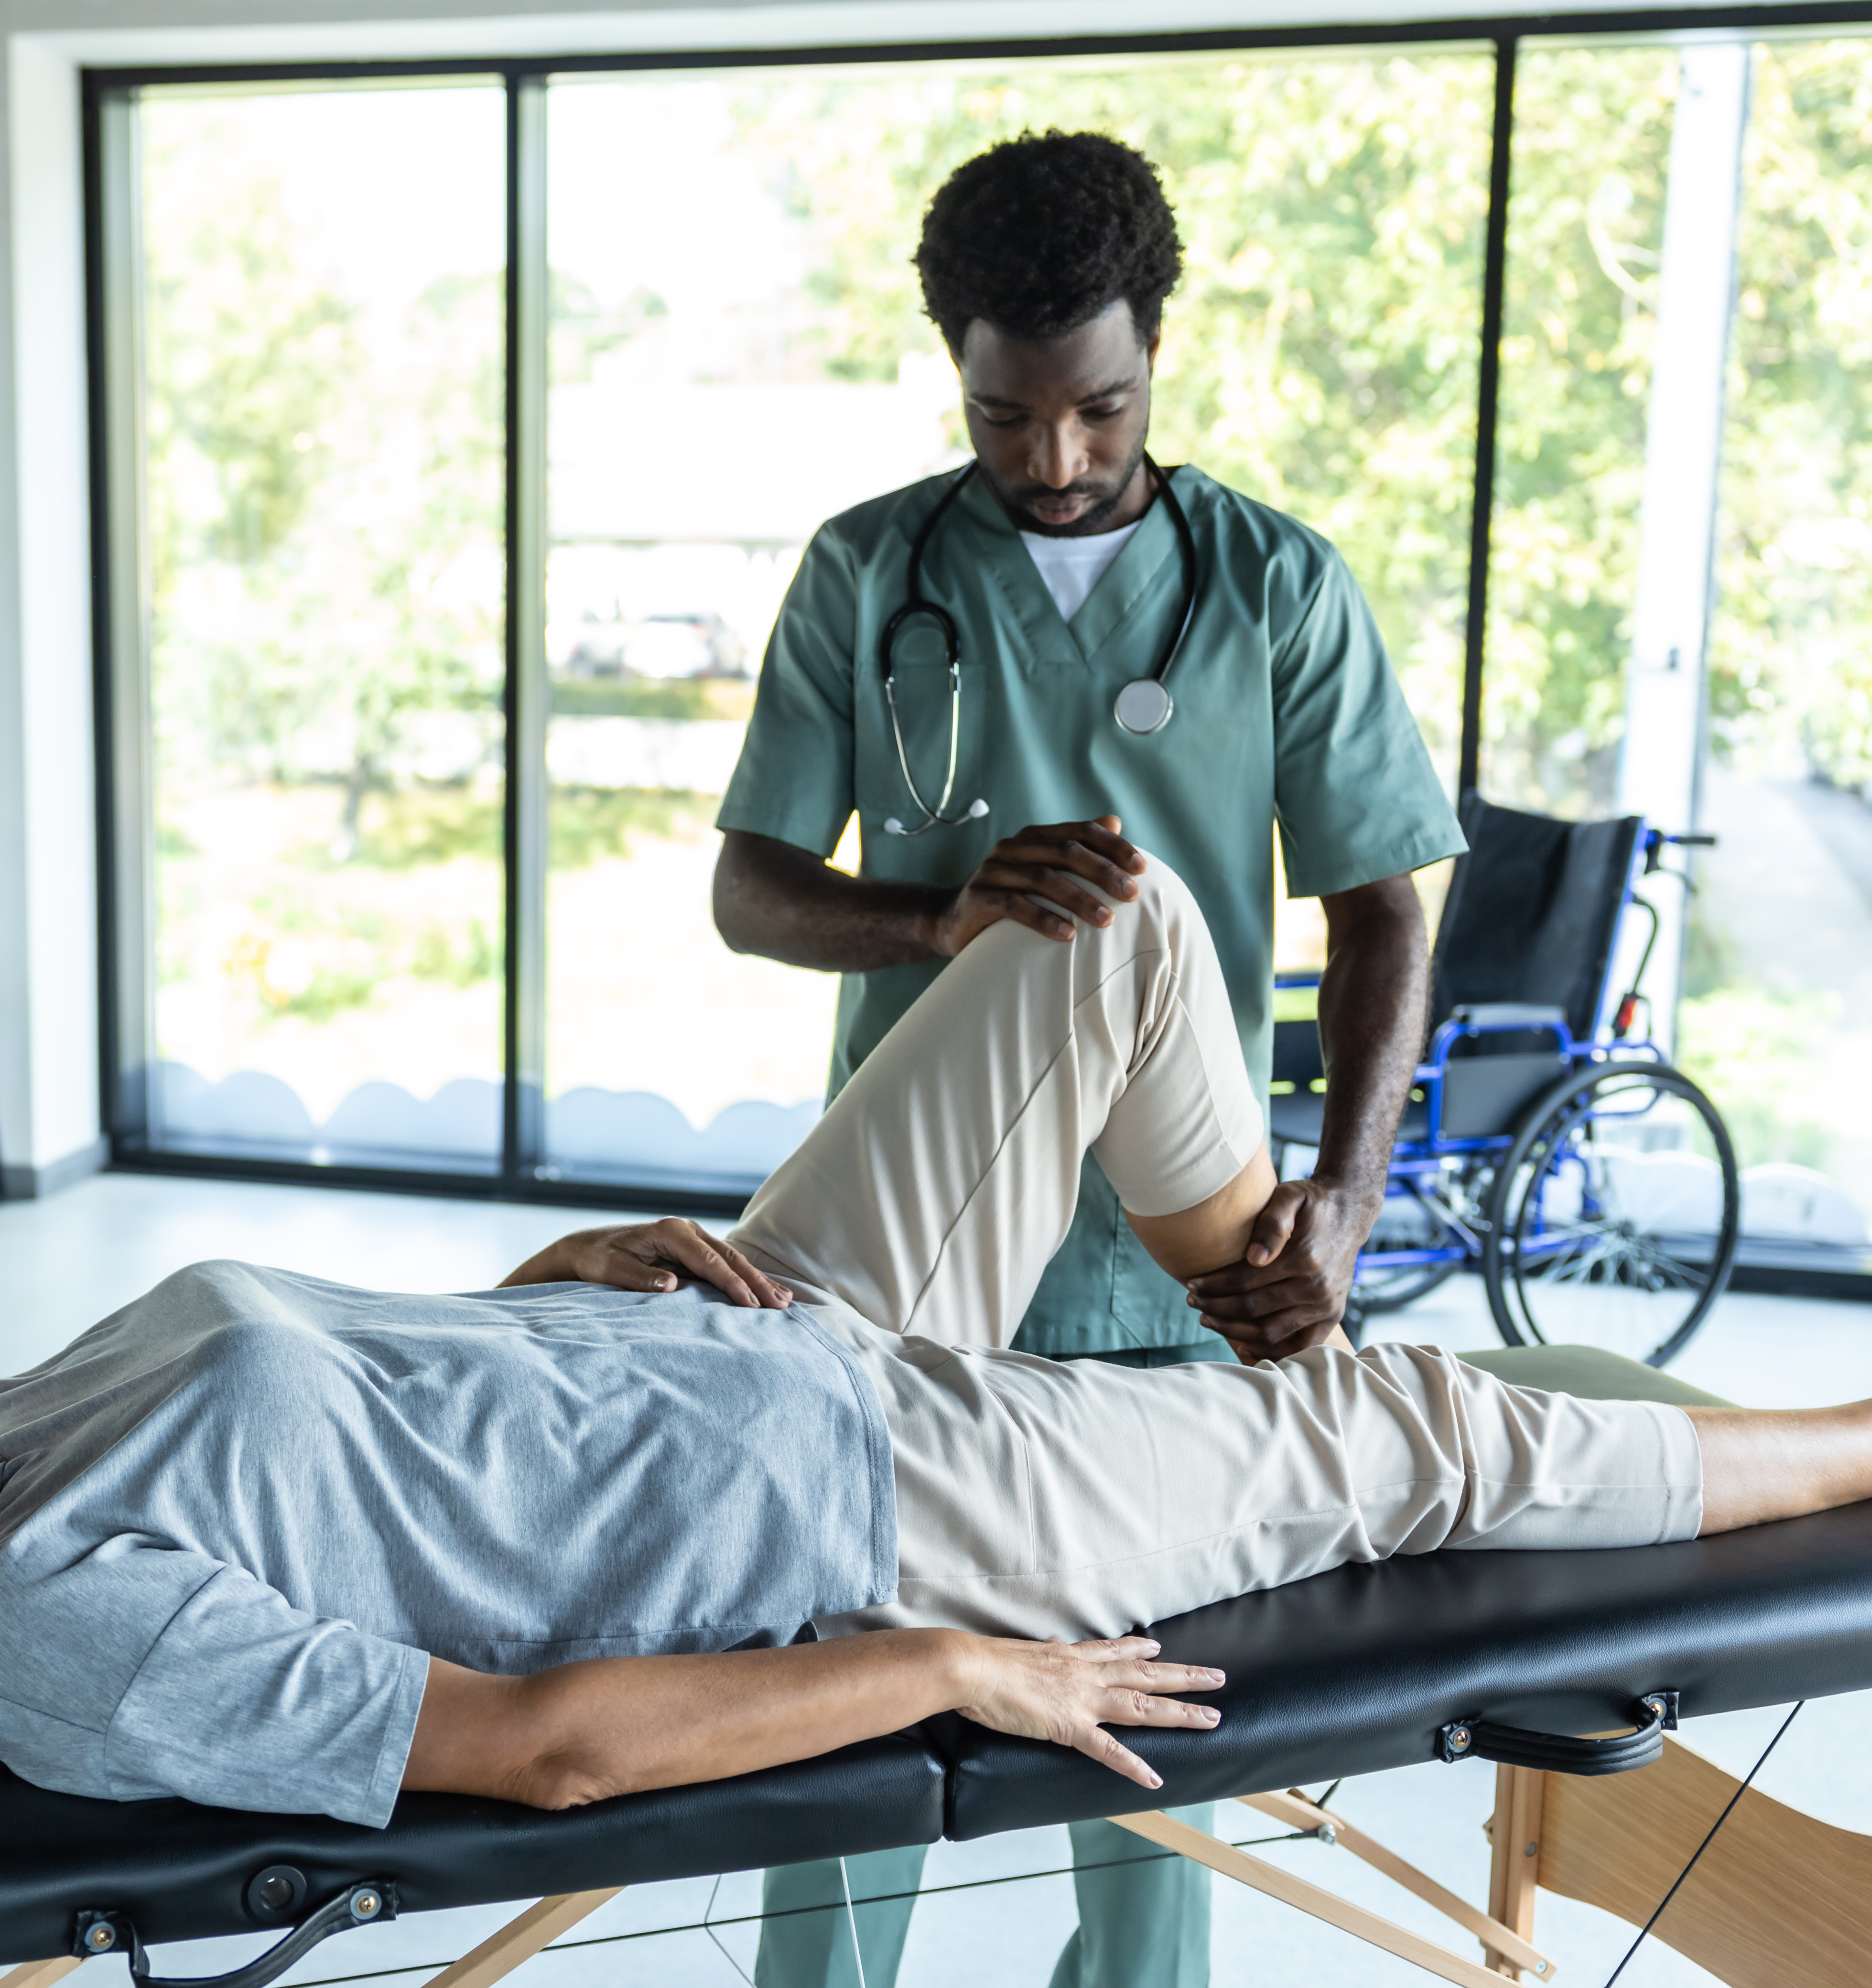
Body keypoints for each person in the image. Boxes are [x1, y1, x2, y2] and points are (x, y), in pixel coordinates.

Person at [0, 874, 1872, 1883]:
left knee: (1096, 934)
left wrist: (565, 1268)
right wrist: (950, 1659)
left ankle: (1259, 1322)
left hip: (744, 1313)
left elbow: (392, 1425)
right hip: (886, 1498)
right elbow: (537, 1747)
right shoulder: (47, 1630)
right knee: (1420, 1435)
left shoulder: (7, 1431)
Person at [709, 129, 1462, 1984]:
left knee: (1150, 1740)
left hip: (1175, 1259)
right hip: (916, 1240)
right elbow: (751, 887)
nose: (1054, 459)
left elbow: (1382, 910)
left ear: (1156, 355)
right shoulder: (869, 570)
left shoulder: (1276, 585)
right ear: (953, 368)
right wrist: (938, 920)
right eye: (1006, 417)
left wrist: (1347, 1200)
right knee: (858, 1700)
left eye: (1100, 412)